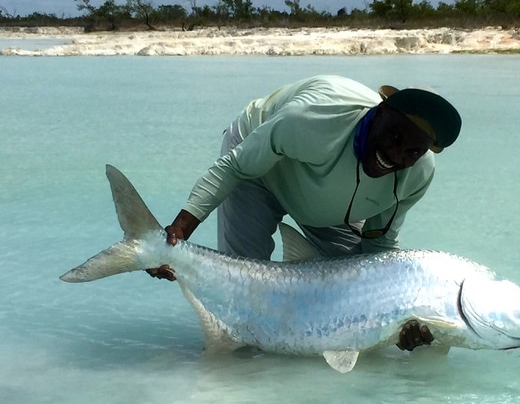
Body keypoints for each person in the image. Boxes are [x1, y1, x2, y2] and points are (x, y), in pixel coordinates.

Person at [147, 75, 462, 352]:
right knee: (243, 303)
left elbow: (377, 247)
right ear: (378, 113)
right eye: (394, 136)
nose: (395, 155)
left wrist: (395, 321)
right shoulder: (313, 119)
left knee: (349, 299)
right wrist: (177, 233)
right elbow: (235, 167)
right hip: (254, 169)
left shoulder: (418, 174)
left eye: (412, 151)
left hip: (325, 201)